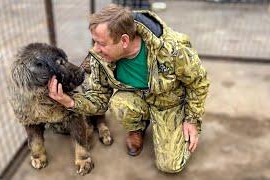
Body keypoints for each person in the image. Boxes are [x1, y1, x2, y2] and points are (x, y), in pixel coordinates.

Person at [48, 4, 209, 173]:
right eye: (94, 41)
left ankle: (169, 122)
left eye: (101, 43)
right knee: (119, 103)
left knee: (170, 166)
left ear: (124, 40)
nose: (95, 49)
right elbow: (99, 100)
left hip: (169, 103)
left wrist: (192, 119)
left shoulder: (171, 49)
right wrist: (68, 101)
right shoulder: (100, 58)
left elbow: (199, 82)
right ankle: (137, 127)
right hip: (138, 98)